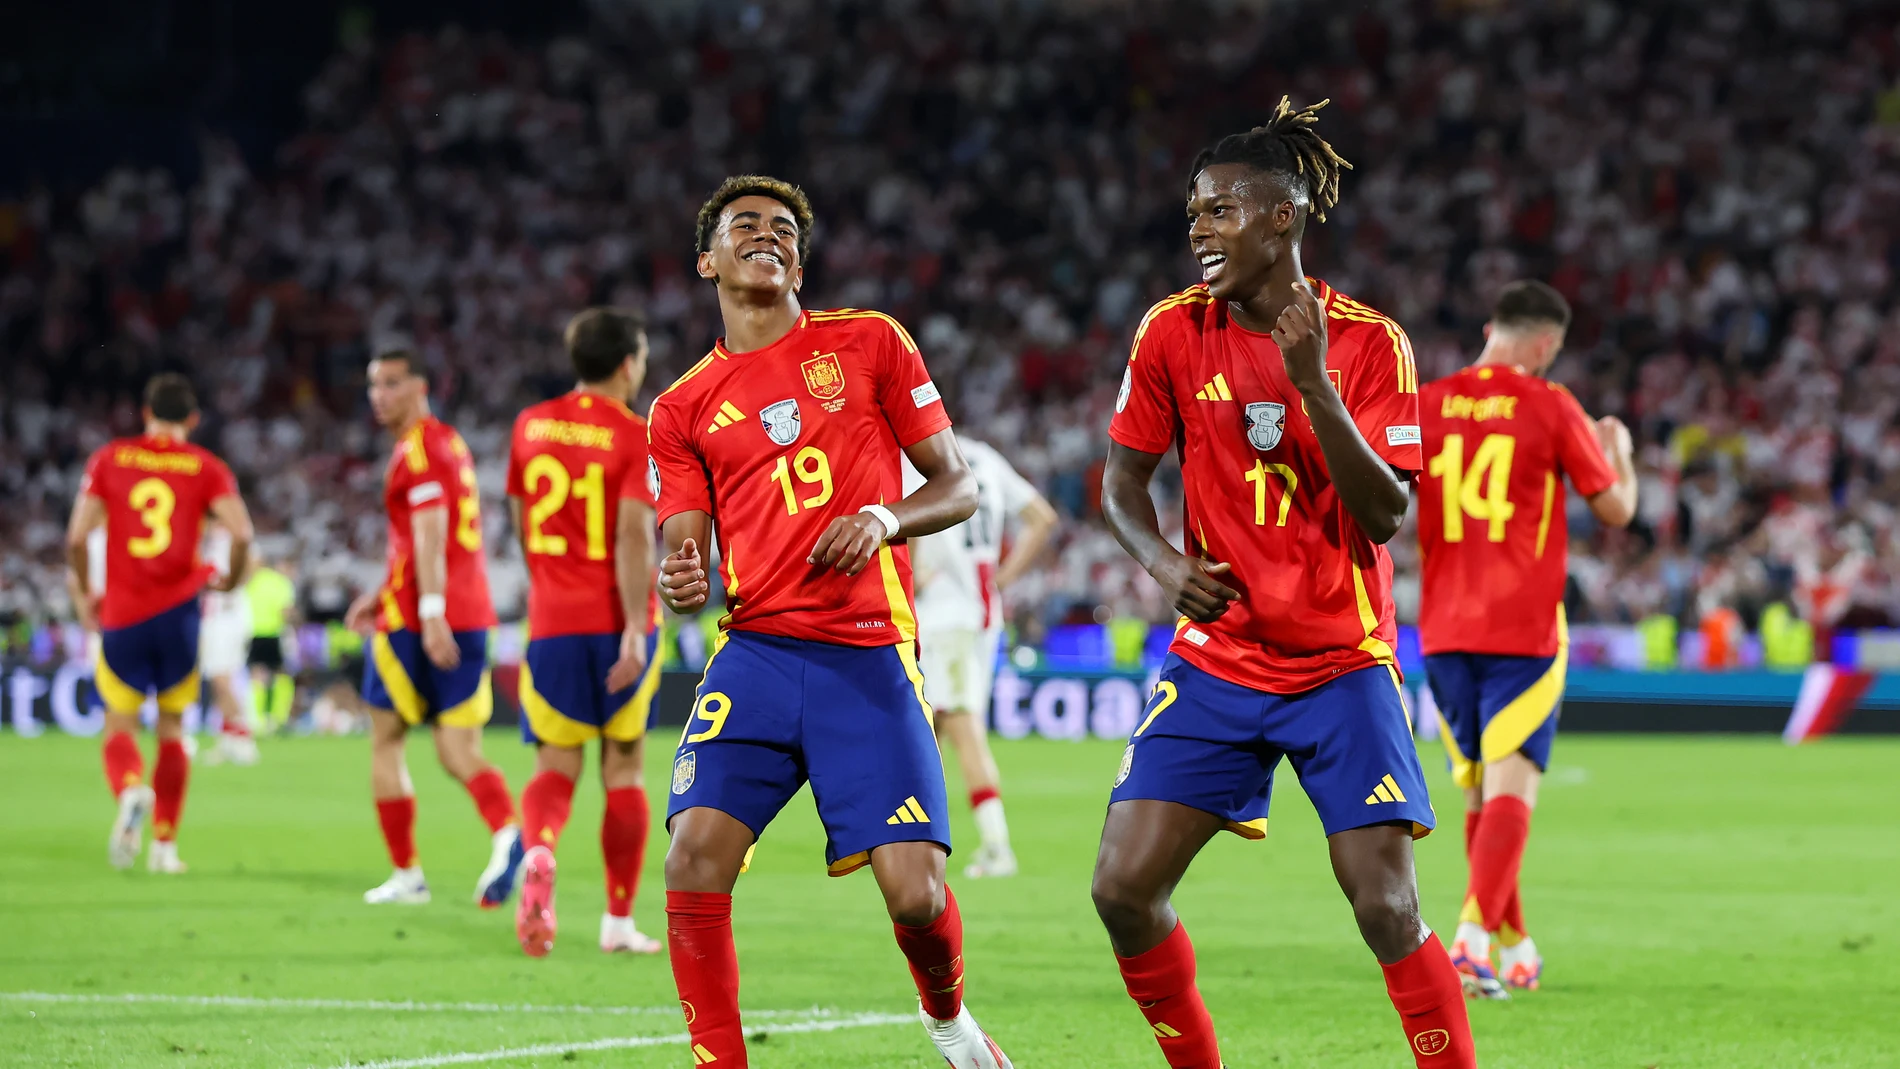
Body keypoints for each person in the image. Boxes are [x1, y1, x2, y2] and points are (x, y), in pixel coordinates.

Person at [1093, 98, 1477, 1069]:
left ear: (1282, 217)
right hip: (1216, 661)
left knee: (1386, 905)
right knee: (1121, 889)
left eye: (1219, 209)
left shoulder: (1368, 342)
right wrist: (1163, 563)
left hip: (1337, 663)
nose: (1198, 226)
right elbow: (1120, 484)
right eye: (1193, 210)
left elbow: (1387, 515)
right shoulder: (1172, 331)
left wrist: (1312, 385)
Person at [649, 175, 1010, 1068]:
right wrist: (679, 574)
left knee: (917, 895)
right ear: (708, 261)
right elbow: (683, 550)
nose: (765, 235)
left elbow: (957, 483)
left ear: (799, 260)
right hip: (758, 655)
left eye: (781, 229)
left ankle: (950, 1022)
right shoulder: (681, 408)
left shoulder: (870, 342)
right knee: (694, 856)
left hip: (867, 655)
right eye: (744, 226)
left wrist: (886, 517)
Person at [1417, 280, 1637, 997]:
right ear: (1546, 343)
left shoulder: (1426, 403)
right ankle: (1470, 942)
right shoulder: (1550, 404)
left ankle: (1514, 942)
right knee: (1513, 792)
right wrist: (1622, 452)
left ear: (1492, 328)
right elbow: (1614, 508)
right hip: (1524, 629)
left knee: (1481, 797)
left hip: (1444, 629)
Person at [506, 307, 665, 957]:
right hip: (615, 619)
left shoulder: (529, 424)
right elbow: (632, 534)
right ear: (628, 363)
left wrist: (549, 584)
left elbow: (519, 519)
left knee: (555, 763)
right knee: (623, 765)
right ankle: (618, 921)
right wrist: (633, 626)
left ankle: (539, 850)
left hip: (551, 620)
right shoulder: (633, 434)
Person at [344, 351, 523, 907]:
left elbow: (429, 533)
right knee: (456, 749)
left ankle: (407, 875)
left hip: (420, 619)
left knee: (386, 740)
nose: (380, 395)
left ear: (421, 386)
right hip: (470, 611)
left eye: (393, 383)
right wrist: (382, 592)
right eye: (374, 384)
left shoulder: (416, 448)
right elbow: (429, 541)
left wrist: (428, 613)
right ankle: (509, 835)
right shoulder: (449, 442)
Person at [65, 373, 254, 874]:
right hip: (180, 615)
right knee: (173, 730)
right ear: (193, 419)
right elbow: (242, 532)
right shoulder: (206, 468)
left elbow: (76, 539)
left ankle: (130, 789)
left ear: (144, 412)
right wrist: (230, 582)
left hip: (125, 613)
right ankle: (165, 847)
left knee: (118, 723)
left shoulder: (109, 459)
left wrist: (86, 594)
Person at [903, 435, 1058, 878]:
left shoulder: (917, 459)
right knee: (926, 729)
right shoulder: (986, 457)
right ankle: (909, 839)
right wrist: (1001, 580)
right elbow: (1041, 519)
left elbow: (910, 527)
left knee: (961, 727)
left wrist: (911, 581)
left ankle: (996, 847)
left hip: (945, 616)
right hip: (982, 615)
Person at [200, 524, 259, 766]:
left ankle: (244, 737)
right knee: (216, 680)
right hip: (213, 616)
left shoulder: (232, 535)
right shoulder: (208, 539)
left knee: (222, 678)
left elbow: (253, 562)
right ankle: (228, 739)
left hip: (228, 617)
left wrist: (232, 588)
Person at [246, 555, 300, 732]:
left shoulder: (251, 581)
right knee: (282, 674)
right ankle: (279, 718)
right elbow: (286, 611)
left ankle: (258, 721)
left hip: (253, 633)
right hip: (275, 633)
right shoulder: (280, 583)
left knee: (257, 676)